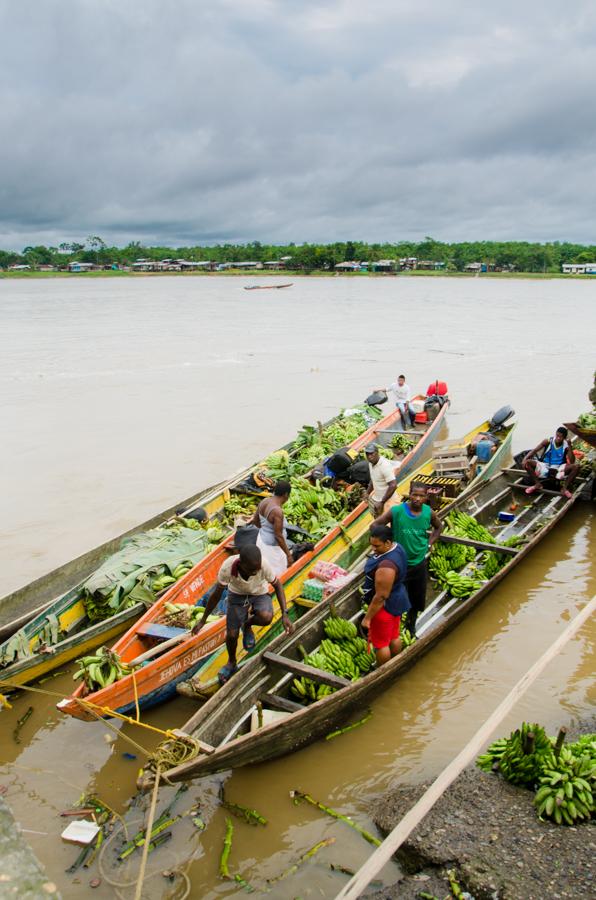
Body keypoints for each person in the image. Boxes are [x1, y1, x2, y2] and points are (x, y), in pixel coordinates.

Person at [191, 544, 293, 684]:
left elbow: (277, 585)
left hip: (259, 593)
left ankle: (247, 624)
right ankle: (231, 662)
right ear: (241, 564)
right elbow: (216, 595)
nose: (255, 572)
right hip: (237, 595)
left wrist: (285, 614)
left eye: (257, 570)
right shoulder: (227, 567)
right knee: (232, 634)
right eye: (252, 570)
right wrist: (203, 620)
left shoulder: (263, 565)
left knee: (266, 617)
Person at [374, 484, 443, 636]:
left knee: (417, 598)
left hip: (418, 563)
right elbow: (376, 525)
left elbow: (439, 527)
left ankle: (411, 626)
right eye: (414, 495)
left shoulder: (428, 513)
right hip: (399, 565)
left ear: (426, 497)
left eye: (421, 496)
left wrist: (429, 543)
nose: (417, 499)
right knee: (394, 598)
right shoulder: (397, 511)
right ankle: (394, 630)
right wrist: (386, 545)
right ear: (409, 495)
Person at [361, 524, 410, 666]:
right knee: (394, 635)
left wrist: (367, 618)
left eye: (377, 546)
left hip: (384, 608)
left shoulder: (386, 566)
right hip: (397, 598)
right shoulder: (397, 547)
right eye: (372, 545)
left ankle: (383, 668)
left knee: (381, 644)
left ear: (388, 543)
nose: (373, 549)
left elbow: (381, 596)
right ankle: (396, 662)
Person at [523, 426, 579, 499]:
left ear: (564, 438)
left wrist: (569, 446)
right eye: (557, 435)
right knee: (527, 463)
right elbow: (534, 451)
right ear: (555, 434)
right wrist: (525, 458)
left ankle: (564, 488)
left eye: (561, 437)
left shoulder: (566, 445)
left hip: (559, 468)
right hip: (545, 466)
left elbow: (572, 461)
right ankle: (538, 484)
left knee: (576, 467)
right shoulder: (548, 441)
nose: (558, 438)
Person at [251, 480, 293, 576]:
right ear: (286, 494)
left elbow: (256, 521)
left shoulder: (264, 501)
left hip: (261, 541)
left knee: (264, 572)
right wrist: (288, 555)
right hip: (271, 549)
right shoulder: (277, 511)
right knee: (275, 575)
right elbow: (278, 536)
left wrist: (266, 530)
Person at [365, 443, 397, 516]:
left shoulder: (384, 466)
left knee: (388, 523)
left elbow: (393, 485)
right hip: (377, 499)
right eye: (367, 454)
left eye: (371, 454)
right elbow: (373, 479)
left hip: (388, 500)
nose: (369, 457)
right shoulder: (371, 463)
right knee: (377, 520)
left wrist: (382, 502)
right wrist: (367, 493)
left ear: (377, 453)